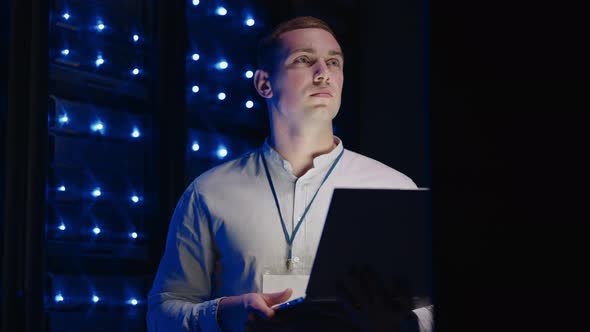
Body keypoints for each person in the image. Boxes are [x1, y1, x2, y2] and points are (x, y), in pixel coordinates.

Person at [147, 16, 432, 332]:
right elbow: (162, 313)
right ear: (264, 84)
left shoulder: (393, 188)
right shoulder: (208, 192)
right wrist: (223, 314)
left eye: (334, 63)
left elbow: (437, 306)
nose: (324, 74)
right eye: (304, 60)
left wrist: (400, 324)